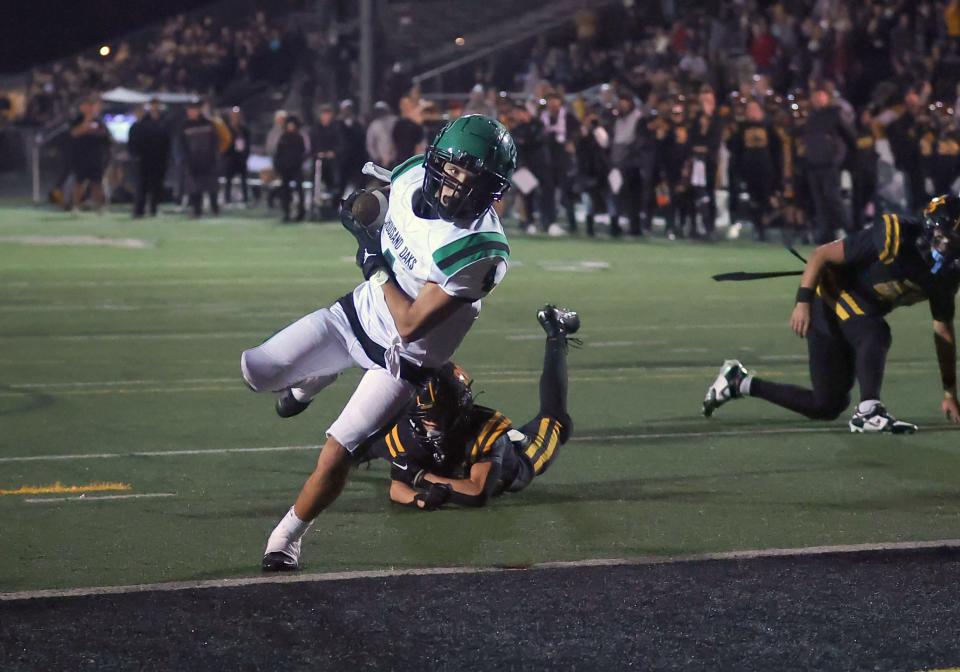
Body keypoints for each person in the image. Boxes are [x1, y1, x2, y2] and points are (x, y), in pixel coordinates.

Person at [242, 115, 517, 571]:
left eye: (471, 183)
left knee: (338, 451)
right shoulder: (410, 175)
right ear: (433, 165)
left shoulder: (479, 251)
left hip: (404, 358)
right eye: (449, 176)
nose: (453, 191)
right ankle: (316, 378)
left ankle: (286, 537)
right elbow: (385, 200)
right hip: (359, 314)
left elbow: (410, 324)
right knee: (257, 371)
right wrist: (364, 206)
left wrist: (374, 263)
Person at [703, 195, 960, 434]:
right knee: (875, 331)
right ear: (930, 228)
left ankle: (738, 382)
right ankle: (869, 411)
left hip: (857, 310)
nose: (949, 245)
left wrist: (949, 393)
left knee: (826, 405)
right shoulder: (895, 235)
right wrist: (802, 302)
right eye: (947, 237)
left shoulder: (947, 275)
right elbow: (821, 254)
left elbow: (943, 331)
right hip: (830, 295)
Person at [363, 305, 579, 510]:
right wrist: (420, 499)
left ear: (458, 408)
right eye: (424, 415)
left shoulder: (485, 431)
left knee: (557, 420)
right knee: (366, 443)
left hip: (516, 464)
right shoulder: (404, 429)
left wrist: (421, 478)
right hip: (443, 460)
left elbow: (476, 492)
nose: (430, 421)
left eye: (438, 413)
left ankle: (556, 333)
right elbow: (397, 486)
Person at [803, 88, 856, 244]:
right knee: (820, 202)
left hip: (829, 164)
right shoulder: (811, 117)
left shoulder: (835, 114)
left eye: (821, 95)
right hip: (814, 164)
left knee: (834, 200)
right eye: (815, 96)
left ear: (828, 98)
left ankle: (850, 232)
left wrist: (841, 159)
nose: (818, 99)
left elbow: (850, 137)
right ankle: (825, 235)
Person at [128, 99, 169, 218]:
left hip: (159, 159)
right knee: (142, 186)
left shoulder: (163, 123)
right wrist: (135, 155)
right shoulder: (140, 125)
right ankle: (139, 210)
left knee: (156, 186)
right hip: (143, 160)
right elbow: (133, 143)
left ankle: (154, 209)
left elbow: (166, 141)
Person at [178, 100, 220, 217]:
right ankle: (197, 210)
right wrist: (186, 159)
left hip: (208, 161)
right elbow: (182, 145)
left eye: (192, 109)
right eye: (189, 110)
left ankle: (215, 208)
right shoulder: (184, 126)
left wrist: (213, 156)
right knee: (194, 188)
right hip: (193, 162)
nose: (190, 112)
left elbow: (214, 142)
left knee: (212, 187)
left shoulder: (208, 124)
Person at [69, 99, 111, 212]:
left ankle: (100, 206)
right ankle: (76, 206)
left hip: (96, 157)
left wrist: (92, 130)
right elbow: (74, 133)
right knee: (79, 183)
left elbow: (105, 135)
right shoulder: (76, 120)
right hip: (80, 157)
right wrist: (86, 125)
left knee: (96, 183)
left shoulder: (99, 121)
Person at [274, 115, 307, 222]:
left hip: (296, 168)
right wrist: (279, 166)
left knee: (299, 190)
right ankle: (286, 212)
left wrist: (298, 162)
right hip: (285, 169)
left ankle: (301, 213)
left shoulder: (299, 137)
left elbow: (303, 152)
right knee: (285, 191)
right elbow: (278, 154)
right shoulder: (283, 137)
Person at [223, 107, 250, 205]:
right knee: (228, 180)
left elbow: (247, 144)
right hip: (230, 158)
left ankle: (245, 199)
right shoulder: (227, 129)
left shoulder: (244, 130)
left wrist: (245, 156)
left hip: (241, 158)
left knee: (244, 180)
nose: (235, 118)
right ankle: (227, 199)